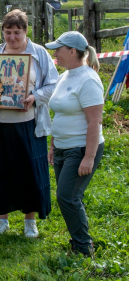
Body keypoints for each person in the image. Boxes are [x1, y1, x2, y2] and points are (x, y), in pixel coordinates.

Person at [0, 9, 59, 238]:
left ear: (26, 31)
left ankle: (30, 222)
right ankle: (3, 219)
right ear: (3, 31)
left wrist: (34, 98)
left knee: (29, 171)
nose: (12, 37)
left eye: (17, 32)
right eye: (8, 32)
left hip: (28, 124)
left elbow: (52, 84)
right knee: (2, 170)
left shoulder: (38, 54)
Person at [45, 31, 104, 257]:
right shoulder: (65, 76)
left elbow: (94, 122)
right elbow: (59, 114)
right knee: (68, 197)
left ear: (72, 51)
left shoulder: (88, 80)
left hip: (80, 149)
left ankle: (83, 247)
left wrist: (89, 157)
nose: (55, 53)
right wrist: (53, 145)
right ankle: (78, 242)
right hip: (62, 147)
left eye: (58, 49)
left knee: (67, 196)